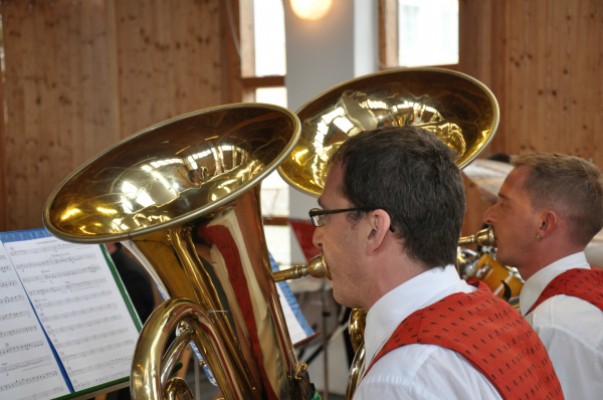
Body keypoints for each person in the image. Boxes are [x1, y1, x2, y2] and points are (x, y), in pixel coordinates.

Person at [310, 126, 562, 399]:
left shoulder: (399, 380)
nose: (317, 237)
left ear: (375, 229)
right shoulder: (502, 318)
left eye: (325, 215)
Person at [483, 152, 603, 399]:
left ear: (544, 224)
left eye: (504, 205)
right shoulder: (587, 287)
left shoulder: (553, 325)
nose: (488, 216)